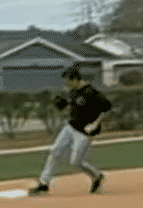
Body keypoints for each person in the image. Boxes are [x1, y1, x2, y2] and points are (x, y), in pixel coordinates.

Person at [29, 65, 112, 196]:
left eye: (67, 80)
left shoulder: (91, 92)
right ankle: (43, 183)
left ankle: (96, 176)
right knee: (54, 152)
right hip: (70, 127)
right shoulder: (72, 92)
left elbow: (107, 107)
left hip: (84, 132)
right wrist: (62, 107)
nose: (65, 83)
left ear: (75, 79)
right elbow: (74, 108)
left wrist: (95, 124)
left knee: (76, 162)